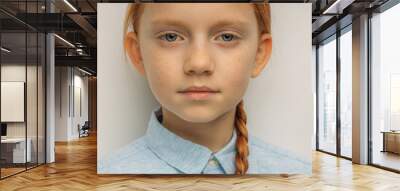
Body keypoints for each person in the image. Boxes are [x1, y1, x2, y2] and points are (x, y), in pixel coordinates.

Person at [99, 1, 311, 175]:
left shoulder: (297, 175)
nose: (199, 63)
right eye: (170, 36)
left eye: (227, 37)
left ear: (259, 54)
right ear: (138, 53)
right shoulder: (109, 174)